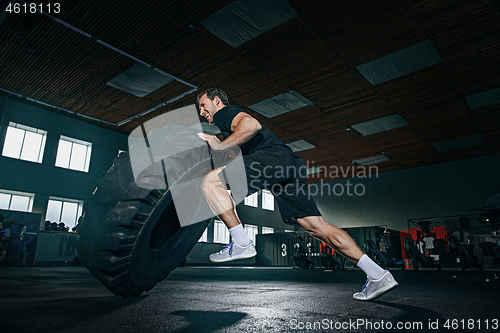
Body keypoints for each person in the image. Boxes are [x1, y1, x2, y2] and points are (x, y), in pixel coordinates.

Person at [196, 88, 398, 301]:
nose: (202, 111)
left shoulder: (224, 113)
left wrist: (220, 145)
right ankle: (377, 274)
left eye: (203, 105)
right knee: (317, 227)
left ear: (216, 100)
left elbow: (251, 125)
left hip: (272, 158)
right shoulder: (226, 124)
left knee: (210, 182)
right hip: (288, 164)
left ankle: (241, 243)